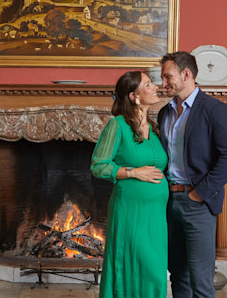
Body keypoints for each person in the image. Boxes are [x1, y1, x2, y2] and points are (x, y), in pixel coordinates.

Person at [159, 51, 227, 298]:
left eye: (168, 76)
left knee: (201, 282)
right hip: (169, 202)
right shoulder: (165, 113)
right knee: (178, 276)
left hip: (198, 204)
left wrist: (200, 193)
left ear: (186, 74)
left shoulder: (214, 110)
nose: (163, 83)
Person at [90, 71, 169, 298]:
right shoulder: (118, 125)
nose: (156, 87)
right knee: (132, 266)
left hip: (155, 216)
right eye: (148, 84)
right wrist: (133, 172)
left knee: (154, 271)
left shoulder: (154, 129)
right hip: (130, 213)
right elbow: (98, 166)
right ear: (134, 96)